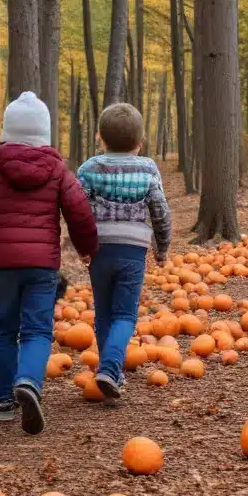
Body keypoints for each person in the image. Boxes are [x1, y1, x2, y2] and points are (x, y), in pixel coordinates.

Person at [0, 91, 98, 434]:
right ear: (43, 133)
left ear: (6, 130)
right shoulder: (57, 168)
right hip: (42, 265)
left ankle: (1, 401)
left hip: (0, 265)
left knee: (1, 328)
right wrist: (87, 248)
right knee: (37, 329)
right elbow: (80, 212)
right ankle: (28, 382)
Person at [77, 103, 171, 399]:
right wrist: (162, 247)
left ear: (100, 138)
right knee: (125, 315)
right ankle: (110, 368)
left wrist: (82, 245)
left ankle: (109, 371)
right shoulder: (148, 169)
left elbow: (78, 209)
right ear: (139, 142)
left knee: (104, 313)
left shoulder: (90, 168)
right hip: (132, 251)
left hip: (99, 249)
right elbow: (160, 210)